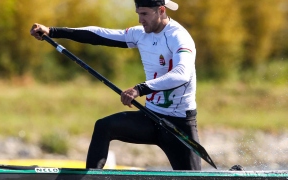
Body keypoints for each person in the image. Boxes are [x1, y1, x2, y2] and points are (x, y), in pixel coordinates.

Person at [30, 0, 201, 170]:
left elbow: (182, 74)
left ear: (161, 10)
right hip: (151, 118)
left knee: (191, 176)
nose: (140, 20)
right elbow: (98, 35)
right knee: (104, 126)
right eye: (138, 14)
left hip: (178, 124)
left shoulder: (179, 37)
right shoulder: (140, 34)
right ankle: (91, 177)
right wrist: (52, 31)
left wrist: (139, 89)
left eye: (144, 14)